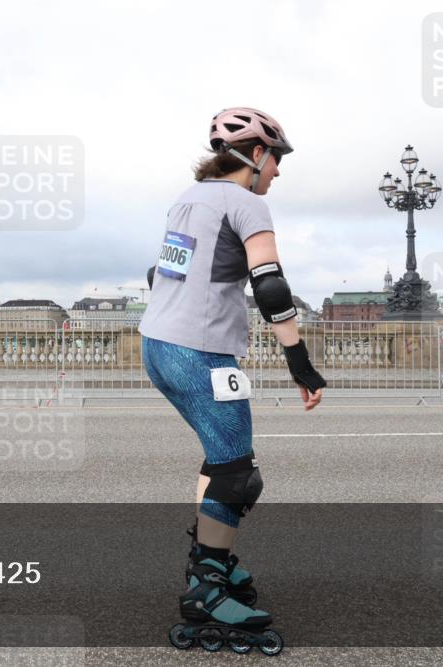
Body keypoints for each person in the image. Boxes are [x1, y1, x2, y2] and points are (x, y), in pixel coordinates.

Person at [139, 107, 326, 651]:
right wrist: (301, 364)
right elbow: (270, 286)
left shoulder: (186, 199)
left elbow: (162, 273)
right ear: (257, 156)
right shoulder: (247, 203)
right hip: (201, 353)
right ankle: (207, 588)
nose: (278, 174)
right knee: (239, 475)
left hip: (158, 346)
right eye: (277, 161)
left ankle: (211, 563)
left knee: (221, 461)